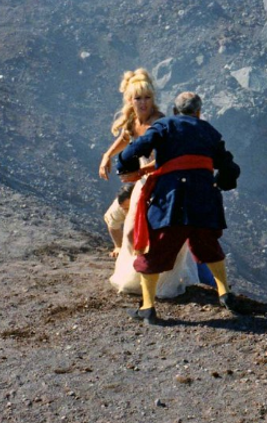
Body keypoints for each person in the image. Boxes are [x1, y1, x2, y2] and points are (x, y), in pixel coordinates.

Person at [115, 91, 240, 325]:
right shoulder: (209, 131)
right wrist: (221, 182)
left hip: (172, 199)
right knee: (208, 246)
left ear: (175, 111)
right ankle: (225, 294)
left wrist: (125, 167)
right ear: (198, 112)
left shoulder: (164, 126)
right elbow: (229, 167)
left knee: (158, 250)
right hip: (204, 200)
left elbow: (137, 148)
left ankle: (148, 308)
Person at [105, 70, 198, 299]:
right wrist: (107, 155)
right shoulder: (134, 121)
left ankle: (163, 284)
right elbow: (126, 137)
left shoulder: (160, 121)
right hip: (143, 184)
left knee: (160, 235)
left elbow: (167, 156)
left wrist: (141, 170)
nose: (143, 102)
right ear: (130, 100)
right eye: (138, 98)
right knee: (130, 233)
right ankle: (136, 280)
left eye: (147, 97)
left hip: (163, 183)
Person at [103, 182, 135, 258]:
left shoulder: (151, 203)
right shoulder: (117, 208)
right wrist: (119, 246)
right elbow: (113, 225)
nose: (128, 212)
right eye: (125, 209)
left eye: (129, 208)